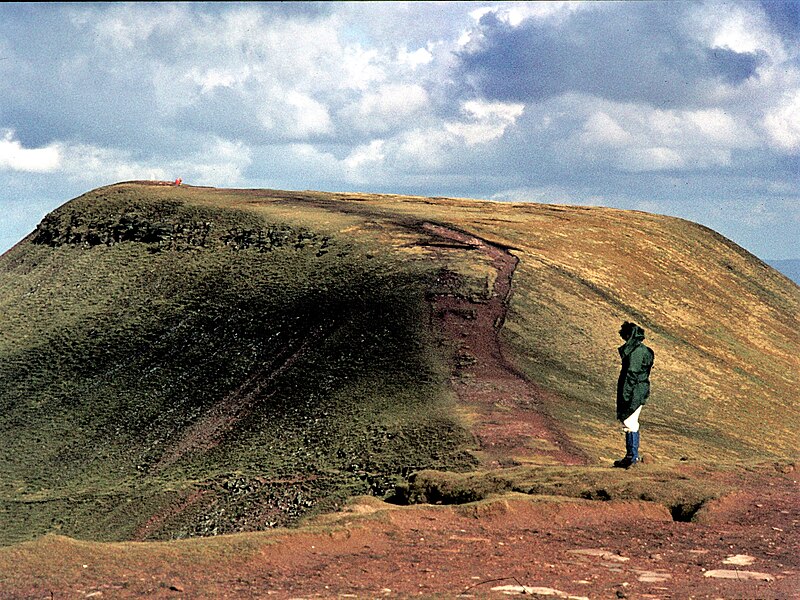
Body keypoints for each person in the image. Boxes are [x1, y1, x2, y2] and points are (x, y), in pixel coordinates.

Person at [614, 321, 654, 468]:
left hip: (635, 390)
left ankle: (632, 457)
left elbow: (631, 373)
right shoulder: (642, 350)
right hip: (639, 388)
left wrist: (626, 394)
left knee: (630, 422)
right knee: (631, 422)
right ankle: (631, 456)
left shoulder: (636, 352)